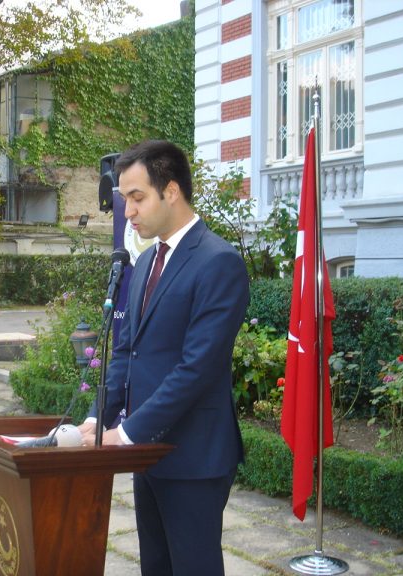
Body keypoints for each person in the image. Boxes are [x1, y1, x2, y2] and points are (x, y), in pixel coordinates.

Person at [78, 140, 250, 576]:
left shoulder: (218, 262)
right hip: (147, 454)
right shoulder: (145, 262)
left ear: (171, 191)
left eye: (137, 197)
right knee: (155, 566)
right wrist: (98, 417)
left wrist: (127, 433)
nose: (129, 211)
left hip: (194, 456)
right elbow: (126, 354)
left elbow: (197, 369)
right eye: (125, 199)